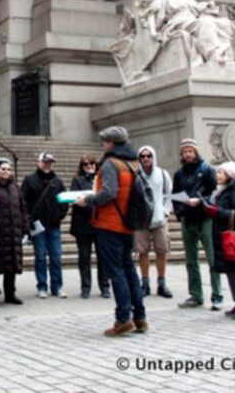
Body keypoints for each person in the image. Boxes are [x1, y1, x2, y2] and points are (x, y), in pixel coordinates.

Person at [75, 126, 147, 337]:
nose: (102, 145)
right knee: (129, 269)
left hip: (110, 224)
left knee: (116, 272)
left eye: (104, 141)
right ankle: (140, 317)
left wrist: (87, 200)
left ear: (111, 143)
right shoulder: (133, 163)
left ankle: (123, 319)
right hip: (128, 223)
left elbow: (109, 192)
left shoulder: (110, 163)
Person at [193, 161, 235, 320]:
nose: (218, 175)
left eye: (221, 172)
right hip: (225, 236)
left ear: (229, 175)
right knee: (231, 270)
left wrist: (218, 212)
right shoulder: (223, 191)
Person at [173, 138, 223, 310]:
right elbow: (175, 195)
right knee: (191, 260)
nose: (188, 154)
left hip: (205, 218)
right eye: (185, 151)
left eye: (190, 151)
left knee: (212, 259)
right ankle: (196, 295)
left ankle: (217, 294)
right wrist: (180, 212)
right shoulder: (179, 174)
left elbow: (215, 193)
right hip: (187, 219)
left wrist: (201, 201)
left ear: (196, 152)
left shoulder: (207, 170)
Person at [0, 158, 29, 307]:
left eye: (8, 169)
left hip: (14, 232)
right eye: (3, 169)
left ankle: (10, 294)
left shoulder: (15, 187)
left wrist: (25, 227)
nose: (6, 172)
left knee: (12, 265)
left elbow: (22, 208)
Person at [21, 152, 68, 298]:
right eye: (45, 162)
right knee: (40, 256)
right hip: (37, 225)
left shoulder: (57, 181)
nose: (48, 165)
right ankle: (42, 286)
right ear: (38, 162)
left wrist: (60, 215)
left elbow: (63, 201)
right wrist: (28, 220)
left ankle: (57, 286)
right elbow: (23, 201)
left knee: (56, 257)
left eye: (50, 162)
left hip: (53, 225)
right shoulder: (29, 180)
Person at [69, 154, 109, 299]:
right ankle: (85, 287)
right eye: (86, 164)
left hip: (100, 223)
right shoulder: (77, 180)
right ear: (82, 166)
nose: (89, 166)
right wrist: (88, 201)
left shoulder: (102, 179)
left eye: (92, 163)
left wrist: (90, 200)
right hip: (83, 224)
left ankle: (105, 286)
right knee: (84, 258)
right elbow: (74, 198)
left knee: (103, 257)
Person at [135, 145, 173, 298]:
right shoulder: (135, 175)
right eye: (143, 156)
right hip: (141, 220)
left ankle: (162, 283)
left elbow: (168, 194)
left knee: (161, 251)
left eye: (148, 156)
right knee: (142, 251)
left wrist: (165, 211)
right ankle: (145, 283)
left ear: (153, 157)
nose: (146, 159)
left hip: (159, 219)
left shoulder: (162, 174)